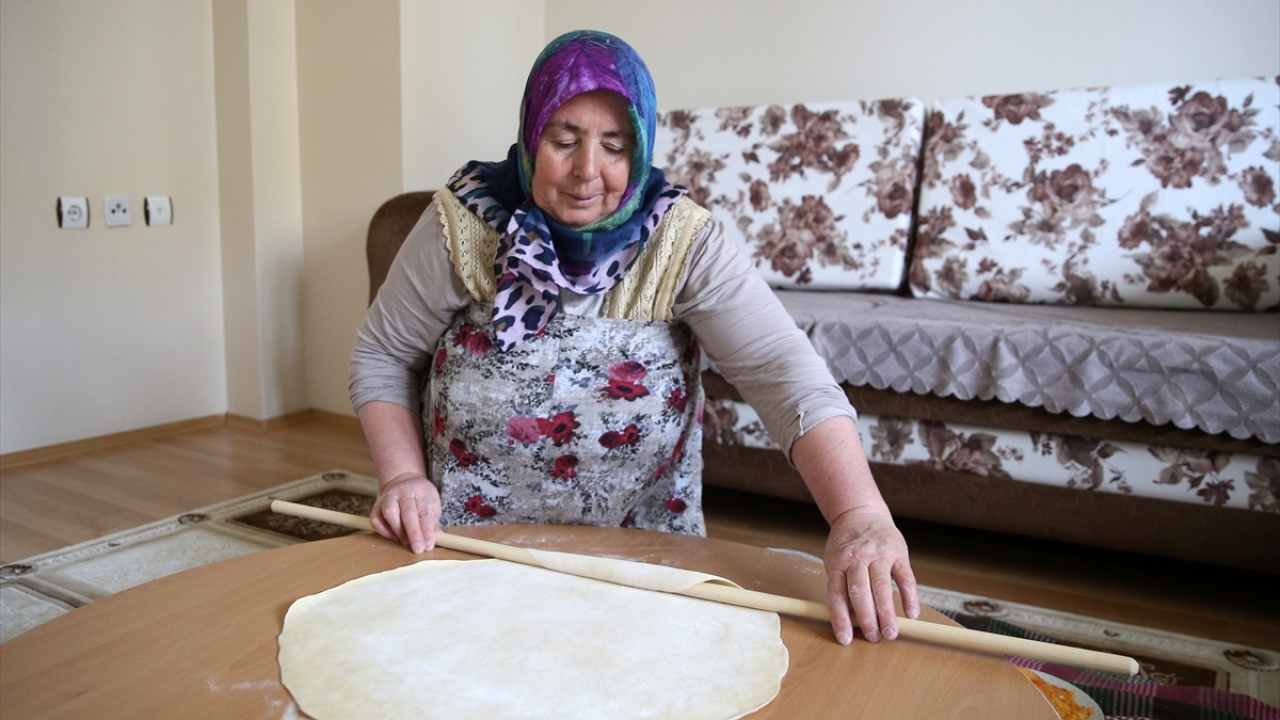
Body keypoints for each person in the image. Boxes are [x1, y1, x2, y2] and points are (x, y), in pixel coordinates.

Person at [349, 30, 919, 645]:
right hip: (467, 545)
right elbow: (381, 356)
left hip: (644, 554)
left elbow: (783, 372)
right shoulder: (461, 226)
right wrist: (403, 479)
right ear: (529, 133)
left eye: (615, 147)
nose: (586, 172)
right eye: (563, 140)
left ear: (642, 149)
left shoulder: (683, 241)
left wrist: (859, 514)